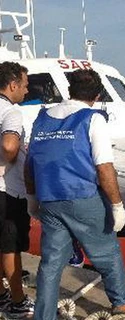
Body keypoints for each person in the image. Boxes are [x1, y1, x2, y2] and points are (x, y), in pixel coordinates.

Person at [25, 69, 125, 319]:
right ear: (96, 96)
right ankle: (121, 303)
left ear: (70, 90)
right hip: (82, 197)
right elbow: (104, 167)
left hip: (49, 199)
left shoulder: (42, 118)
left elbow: (30, 164)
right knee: (107, 251)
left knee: (50, 262)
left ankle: (45, 315)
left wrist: (32, 199)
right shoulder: (93, 118)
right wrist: (117, 205)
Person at [0, 61, 35, 317]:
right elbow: (11, 146)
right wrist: (7, 160)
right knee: (10, 247)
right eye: (24, 84)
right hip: (6, 191)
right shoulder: (11, 112)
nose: (26, 90)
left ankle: (1, 296)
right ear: (12, 85)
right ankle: (18, 301)